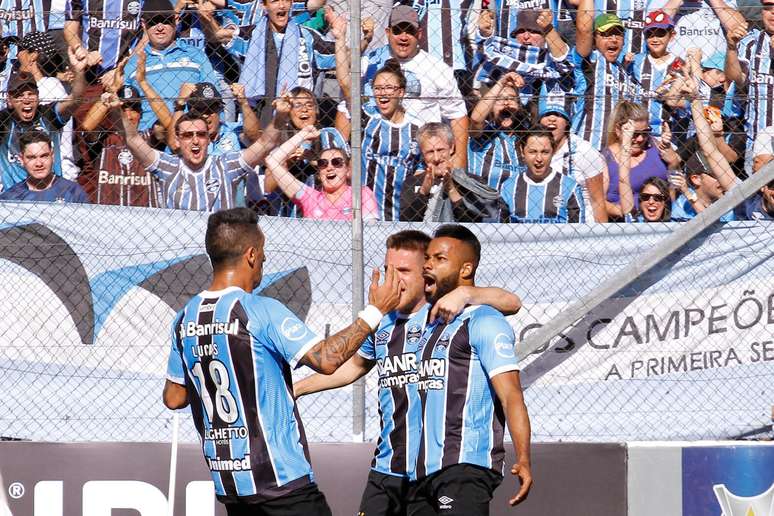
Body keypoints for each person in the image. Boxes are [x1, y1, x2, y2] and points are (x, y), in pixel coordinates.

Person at [162, 207, 402, 515]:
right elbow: (327, 359)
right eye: (262, 253)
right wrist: (375, 310)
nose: (264, 260)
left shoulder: (184, 318)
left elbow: (174, 396)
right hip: (281, 481)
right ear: (251, 254)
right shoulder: (258, 310)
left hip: (231, 484)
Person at [294, 229, 522, 516]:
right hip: (387, 465)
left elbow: (511, 301)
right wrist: (297, 388)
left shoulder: (445, 313)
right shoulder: (384, 322)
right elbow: (353, 368)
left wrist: (467, 292)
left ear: (426, 273)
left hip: (431, 467)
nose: (393, 279)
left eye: (403, 270)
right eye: (389, 269)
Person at [412, 224, 532, 513]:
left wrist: (524, 457)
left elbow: (511, 395)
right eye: (427, 258)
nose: (428, 264)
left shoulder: (484, 320)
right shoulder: (429, 323)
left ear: (465, 269)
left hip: (465, 466)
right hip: (420, 471)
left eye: (440, 259)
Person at [121, 93, 288, 211]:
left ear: (209, 139)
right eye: (187, 135)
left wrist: (280, 115)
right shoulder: (168, 165)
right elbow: (133, 140)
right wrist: (116, 110)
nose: (195, 140)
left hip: (219, 248)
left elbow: (266, 143)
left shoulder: (226, 165)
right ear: (177, 140)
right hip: (180, 249)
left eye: (201, 135)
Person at [361, 5, 469, 170]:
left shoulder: (438, 69)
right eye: (398, 30)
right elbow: (345, 107)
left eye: (410, 31)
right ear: (388, 32)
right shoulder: (369, 63)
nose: (404, 37)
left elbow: (458, 115)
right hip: (375, 158)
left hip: (422, 161)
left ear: (419, 34)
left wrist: (459, 162)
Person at [229, 0, 336, 125]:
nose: (281, 5)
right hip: (258, 111)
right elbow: (217, 35)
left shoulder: (306, 35)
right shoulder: (251, 34)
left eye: (286, 0)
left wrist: (346, 37)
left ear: (291, 4)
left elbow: (342, 55)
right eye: (274, 1)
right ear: (264, 6)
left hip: (299, 115)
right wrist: (207, 19)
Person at [123, 1, 222, 131]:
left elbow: (214, 96)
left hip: (189, 132)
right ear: (143, 24)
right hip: (148, 138)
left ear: (175, 20)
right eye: (153, 22)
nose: (159, 27)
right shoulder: (133, 62)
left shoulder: (196, 55)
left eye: (165, 20)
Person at [0, 45, 87, 192]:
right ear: (9, 100)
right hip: (13, 199)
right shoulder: (3, 120)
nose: (26, 99)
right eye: (19, 95)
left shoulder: (48, 115)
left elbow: (76, 99)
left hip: (51, 195)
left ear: (38, 97)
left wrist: (79, 71)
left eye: (30, 94)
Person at [264, 125, 380, 220]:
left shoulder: (361, 194)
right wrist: (302, 135)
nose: (329, 167)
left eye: (337, 162)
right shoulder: (310, 198)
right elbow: (272, 160)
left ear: (348, 171)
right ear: (319, 174)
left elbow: (371, 230)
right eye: (323, 163)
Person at [571, 0, 641, 150]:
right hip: (587, 148)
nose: (614, 39)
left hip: (616, 152)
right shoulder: (591, 60)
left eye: (618, 35)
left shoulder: (626, 73)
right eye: (606, 35)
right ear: (595, 38)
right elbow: (584, 30)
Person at [400, 122, 505, 223]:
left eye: (441, 150)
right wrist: (423, 192)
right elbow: (406, 221)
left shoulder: (471, 182)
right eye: (430, 152)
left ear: (451, 148)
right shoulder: (411, 183)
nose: (436, 158)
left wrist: (451, 190)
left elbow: (472, 223)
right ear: (422, 154)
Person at [77, 85, 162, 207]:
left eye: (133, 109)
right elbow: (86, 128)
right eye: (123, 109)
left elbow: (168, 125)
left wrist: (143, 82)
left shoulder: (150, 138)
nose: (128, 116)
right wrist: (107, 98)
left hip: (146, 217)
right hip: (108, 216)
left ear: (141, 114)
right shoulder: (104, 139)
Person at [538, 91, 609, 222]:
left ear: (567, 123)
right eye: (547, 114)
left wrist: (601, 238)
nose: (552, 119)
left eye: (558, 114)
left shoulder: (584, 150)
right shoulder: (532, 149)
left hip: (582, 226)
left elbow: (598, 201)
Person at [603, 100, 679, 220]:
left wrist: (673, 163)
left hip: (661, 219)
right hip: (624, 223)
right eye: (635, 133)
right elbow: (598, 201)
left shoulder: (655, 146)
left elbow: (673, 185)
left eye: (645, 132)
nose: (640, 139)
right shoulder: (606, 159)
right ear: (618, 130)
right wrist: (621, 211)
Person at [725, 0, 774, 174]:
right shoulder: (751, 43)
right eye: (768, 8)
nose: (772, 13)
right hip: (757, 144)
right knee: (758, 198)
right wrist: (731, 48)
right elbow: (736, 78)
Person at [500, 127, 585, 223]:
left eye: (545, 152)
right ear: (522, 151)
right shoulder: (508, 187)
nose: (539, 158)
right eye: (532, 152)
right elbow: (500, 230)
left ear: (553, 152)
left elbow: (578, 232)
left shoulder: (570, 187)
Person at [468, 72, 527, 190]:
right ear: (490, 109)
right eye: (499, 99)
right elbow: (476, 118)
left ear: (519, 106)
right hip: (484, 204)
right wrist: (501, 83)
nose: (506, 102)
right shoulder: (484, 135)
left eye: (512, 99)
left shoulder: (525, 139)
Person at [0, 130, 88, 203]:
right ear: (21, 159)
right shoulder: (10, 198)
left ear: (53, 156)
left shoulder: (73, 191)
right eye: (31, 158)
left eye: (44, 156)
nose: (39, 164)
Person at [630, 10, 680, 136]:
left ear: (672, 35)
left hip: (667, 132)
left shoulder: (679, 64)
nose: (655, 39)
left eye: (661, 34)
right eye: (650, 35)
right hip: (637, 131)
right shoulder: (636, 61)